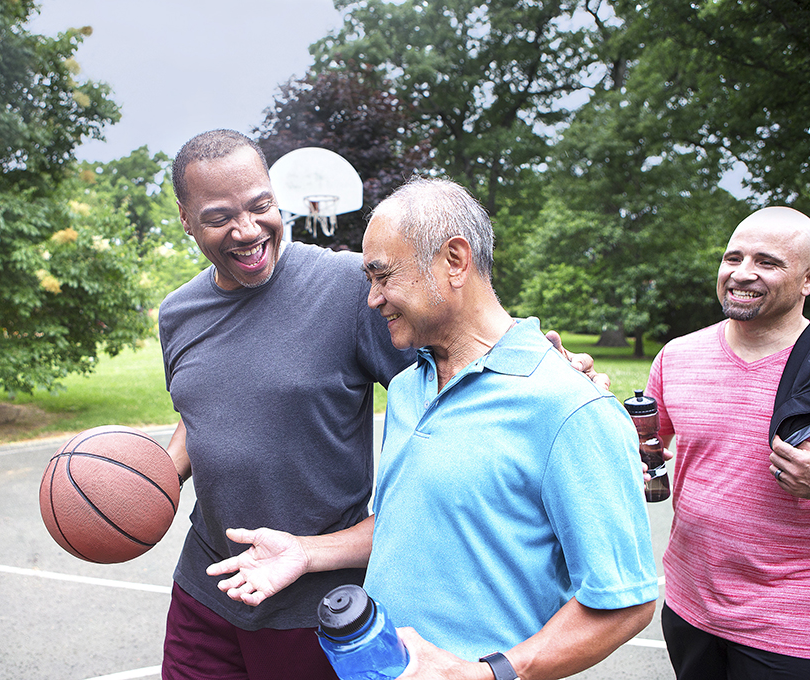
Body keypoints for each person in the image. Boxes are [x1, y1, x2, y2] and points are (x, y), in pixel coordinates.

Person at [159, 130, 606, 680]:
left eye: (261, 206)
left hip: (318, 603)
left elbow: (461, 353)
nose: (248, 229)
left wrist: (553, 371)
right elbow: (198, 409)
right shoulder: (178, 313)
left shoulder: (350, 288)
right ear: (185, 219)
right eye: (220, 216)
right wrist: (150, 476)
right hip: (205, 591)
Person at [645, 206, 810, 679]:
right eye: (732, 257)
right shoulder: (677, 356)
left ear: (807, 281)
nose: (742, 274)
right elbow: (645, 450)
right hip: (689, 608)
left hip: (790, 628)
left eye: (767, 262)